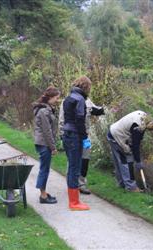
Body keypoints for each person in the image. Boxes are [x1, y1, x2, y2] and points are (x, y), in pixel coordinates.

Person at [59, 98, 104, 194]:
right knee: (73, 160)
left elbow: (95, 109)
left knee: (85, 160)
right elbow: (62, 119)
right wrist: (62, 134)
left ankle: (81, 183)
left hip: (85, 136)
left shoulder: (87, 101)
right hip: (72, 135)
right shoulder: (67, 101)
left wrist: (103, 110)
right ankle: (72, 184)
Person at [107, 110, 153, 192]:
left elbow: (138, 139)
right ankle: (131, 187)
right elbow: (135, 144)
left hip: (113, 133)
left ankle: (122, 184)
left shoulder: (143, 117)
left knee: (120, 161)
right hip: (117, 136)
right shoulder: (137, 125)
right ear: (151, 122)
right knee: (126, 161)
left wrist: (137, 157)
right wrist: (138, 161)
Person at [62, 76, 92, 210]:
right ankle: (74, 203)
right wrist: (85, 137)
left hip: (66, 134)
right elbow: (80, 120)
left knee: (72, 168)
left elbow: (68, 118)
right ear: (86, 87)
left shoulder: (69, 98)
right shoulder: (80, 99)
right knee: (75, 169)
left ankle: (73, 200)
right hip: (75, 136)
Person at [33, 86, 61, 204]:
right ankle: (43, 196)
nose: (57, 100)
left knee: (44, 169)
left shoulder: (46, 108)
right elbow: (47, 131)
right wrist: (53, 147)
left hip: (43, 143)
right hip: (44, 144)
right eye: (56, 98)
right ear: (50, 97)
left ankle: (43, 193)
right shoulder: (44, 111)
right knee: (44, 169)